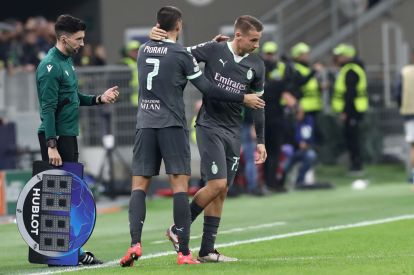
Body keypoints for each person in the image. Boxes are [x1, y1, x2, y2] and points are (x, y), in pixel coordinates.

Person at [120, 6, 265, 267]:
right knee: (205, 184)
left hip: (217, 128)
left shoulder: (144, 50)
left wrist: (261, 139)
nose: (257, 44)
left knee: (220, 190)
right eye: (253, 39)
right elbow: (195, 72)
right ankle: (179, 234)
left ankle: (204, 248)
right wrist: (243, 97)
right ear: (238, 35)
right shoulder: (209, 51)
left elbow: (174, 52)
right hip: (198, 125)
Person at [36, 14, 120, 265]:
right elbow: (48, 109)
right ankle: (72, 253)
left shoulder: (66, 63)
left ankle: (64, 252)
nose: (82, 44)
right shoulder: (50, 67)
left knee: (67, 196)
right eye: (78, 39)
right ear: (64, 39)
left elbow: (72, 96)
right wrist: (52, 145)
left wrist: (98, 98)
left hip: (67, 136)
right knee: (61, 198)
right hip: (58, 139)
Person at [261, 41, 297, 192]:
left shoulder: (276, 68)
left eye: (272, 54)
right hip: (265, 115)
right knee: (267, 152)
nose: (271, 57)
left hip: (275, 115)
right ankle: (269, 183)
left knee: (274, 151)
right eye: (268, 54)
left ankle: (272, 182)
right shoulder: (261, 69)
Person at [331, 43, 368, 175]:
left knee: (353, 138)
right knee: (351, 138)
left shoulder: (351, 70)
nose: (337, 58)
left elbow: (350, 94)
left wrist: (345, 112)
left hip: (352, 111)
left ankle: (356, 166)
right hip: (353, 111)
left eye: (340, 56)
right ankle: (355, 165)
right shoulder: (349, 69)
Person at [394, 50, 414, 183]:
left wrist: (402, 105)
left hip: (409, 112)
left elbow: (397, 92)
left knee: (413, 145)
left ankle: (413, 174)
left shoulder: (405, 72)